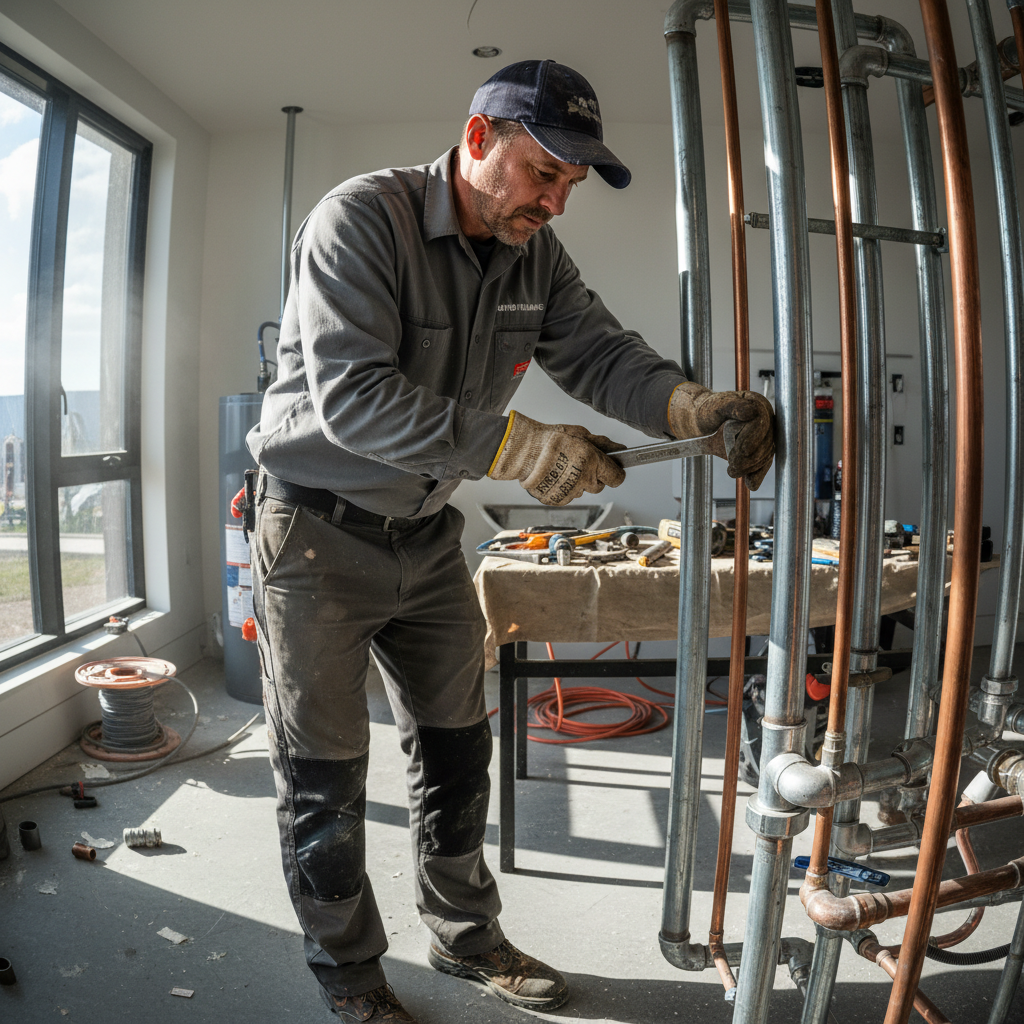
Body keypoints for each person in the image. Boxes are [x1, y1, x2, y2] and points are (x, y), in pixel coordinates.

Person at [247, 59, 774, 1023]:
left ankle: (464, 937)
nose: (557, 202)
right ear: (479, 138)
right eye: (546, 173)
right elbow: (353, 397)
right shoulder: (360, 219)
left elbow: (600, 353)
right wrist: (522, 446)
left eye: (572, 184)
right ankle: (351, 975)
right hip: (316, 536)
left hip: (427, 537)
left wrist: (693, 405)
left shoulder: (533, 254)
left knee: (457, 751)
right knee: (324, 774)